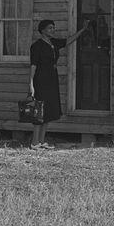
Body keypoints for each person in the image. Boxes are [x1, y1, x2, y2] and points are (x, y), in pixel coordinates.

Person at [28, 18, 90, 150]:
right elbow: (33, 65)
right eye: (50, 28)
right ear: (43, 30)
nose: (53, 30)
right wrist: (31, 84)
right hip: (40, 80)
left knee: (49, 110)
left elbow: (68, 41)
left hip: (52, 79)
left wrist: (83, 30)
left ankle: (41, 141)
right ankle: (34, 142)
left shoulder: (53, 43)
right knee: (39, 110)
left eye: (53, 27)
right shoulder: (37, 46)